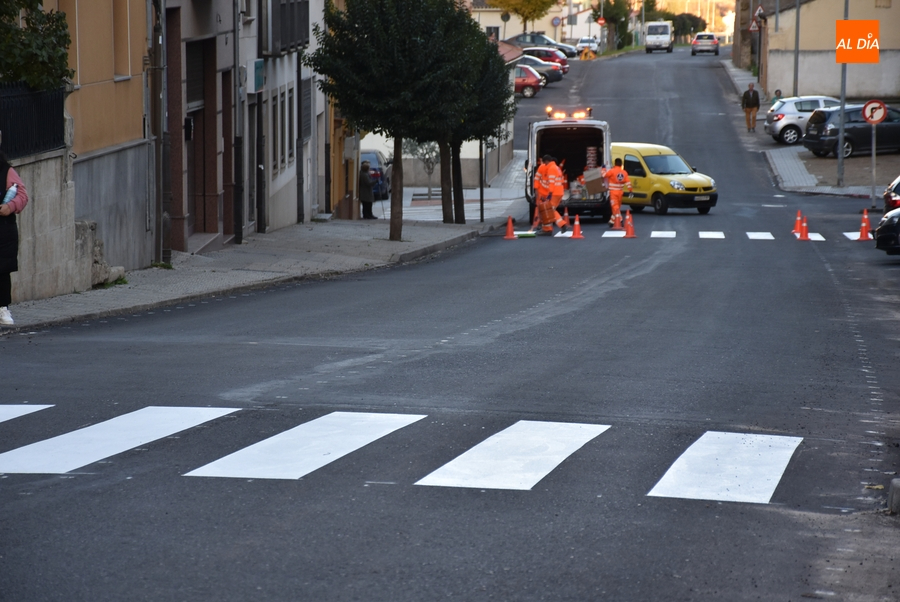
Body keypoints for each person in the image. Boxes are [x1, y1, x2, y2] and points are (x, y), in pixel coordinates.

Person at [0, 149, 28, 326]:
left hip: (3, 229)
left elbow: (22, 195)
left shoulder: (7, 171)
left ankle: (2, 308)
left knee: (2, 270)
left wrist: (9, 207)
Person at [537, 155, 567, 235]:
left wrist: (549, 193)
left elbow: (552, 183)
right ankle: (548, 228)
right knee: (550, 210)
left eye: (544, 163)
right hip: (559, 191)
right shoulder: (556, 168)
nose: (545, 165)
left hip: (554, 192)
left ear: (546, 161)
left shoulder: (551, 169)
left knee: (549, 210)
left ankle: (561, 225)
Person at [602, 158, 632, 227]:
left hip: (613, 193)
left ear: (615, 164)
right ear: (621, 164)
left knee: (615, 207)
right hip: (620, 193)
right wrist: (630, 191)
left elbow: (604, 175)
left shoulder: (612, 171)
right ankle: (612, 221)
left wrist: (603, 169)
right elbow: (628, 183)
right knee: (617, 207)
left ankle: (620, 220)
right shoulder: (624, 173)